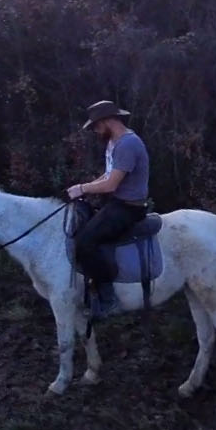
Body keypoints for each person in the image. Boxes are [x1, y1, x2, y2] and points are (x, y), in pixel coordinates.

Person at [65, 100, 150, 316]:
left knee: (85, 242)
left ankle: (108, 298)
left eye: (95, 126)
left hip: (129, 207)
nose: (95, 131)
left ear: (107, 121)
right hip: (116, 202)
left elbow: (111, 184)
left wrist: (83, 188)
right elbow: (108, 175)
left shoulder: (128, 144)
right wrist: (86, 188)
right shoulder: (114, 142)